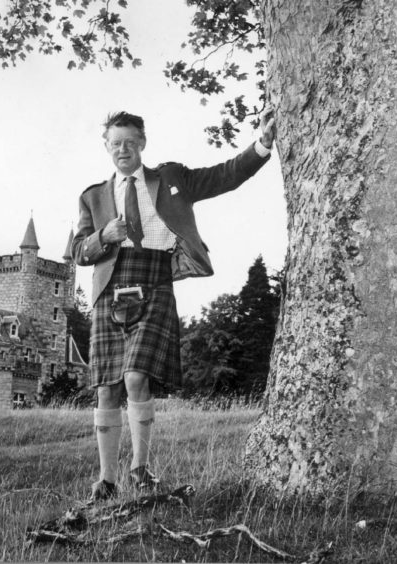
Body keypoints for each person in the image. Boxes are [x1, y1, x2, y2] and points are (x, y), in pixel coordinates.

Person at [71, 108, 276, 501]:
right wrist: (104, 235)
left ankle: (140, 470)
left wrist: (262, 144)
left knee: (135, 377)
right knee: (107, 389)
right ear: (107, 148)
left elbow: (223, 175)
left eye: (131, 142)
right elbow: (79, 252)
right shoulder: (93, 196)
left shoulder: (170, 178)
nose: (124, 149)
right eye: (116, 143)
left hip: (155, 281)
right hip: (109, 286)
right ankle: (107, 480)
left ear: (142, 143)